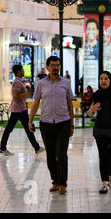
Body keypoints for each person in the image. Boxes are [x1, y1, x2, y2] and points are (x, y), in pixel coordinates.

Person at [28, 56, 75, 195]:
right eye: (53, 65)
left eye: (58, 65)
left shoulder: (66, 83)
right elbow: (36, 103)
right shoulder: (41, 84)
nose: (56, 68)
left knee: (61, 154)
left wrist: (72, 125)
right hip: (46, 123)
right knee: (50, 155)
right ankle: (55, 181)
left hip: (63, 123)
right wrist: (30, 120)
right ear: (47, 67)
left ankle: (63, 183)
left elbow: (70, 104)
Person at [0, 65, 43, 156]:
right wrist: (26, 94)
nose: (23, 71)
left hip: (18, 109)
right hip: (19, 110)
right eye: (22, 70)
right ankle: (37, 148)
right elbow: (16, 95)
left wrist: (26, 94)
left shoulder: (18, 82)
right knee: (28, 128)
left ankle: (2, 148)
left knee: (10, 129)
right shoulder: (17, 82)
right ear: (19, 72)